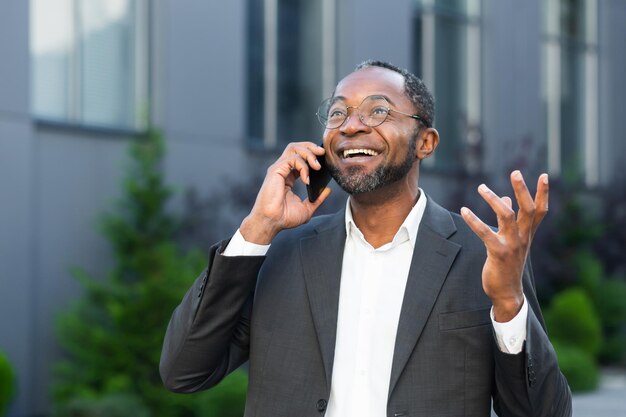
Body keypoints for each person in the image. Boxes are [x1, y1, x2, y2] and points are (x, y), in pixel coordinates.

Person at [160, 60, 572, 417]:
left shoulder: (482, 255)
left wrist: (507, 304)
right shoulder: (279, 252)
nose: (352, 125)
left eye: (378, 111)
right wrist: (256, 227)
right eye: (338, 113)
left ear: (425, 142)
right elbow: (184, 370)